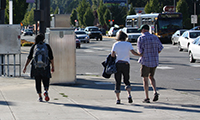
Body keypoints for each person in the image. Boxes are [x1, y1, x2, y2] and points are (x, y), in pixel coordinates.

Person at [111, 31, 142, 104]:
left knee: (118, 81)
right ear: (125, 37)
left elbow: (112, 54)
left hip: (118, 63)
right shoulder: (128, 44)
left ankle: (118, 99)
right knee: (126, 80)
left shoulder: (116, 44)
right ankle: (129, 95)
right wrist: (140, 55)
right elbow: (133, 52)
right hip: (126, 64)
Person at [23, 33, 55, 102]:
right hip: (45, 67)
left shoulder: (34, 46)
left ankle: (40, 96)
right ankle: (46, 91)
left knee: (38, 81)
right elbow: (51, 57)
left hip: (36, 67)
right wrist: (53, 66)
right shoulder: (47, 46)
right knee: (46, 80)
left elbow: (29, 57)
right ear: (43, 39)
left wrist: (25, 66)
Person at [137, 24, 163, 103]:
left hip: (145, 61)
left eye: (141, 30)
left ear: (144, 30)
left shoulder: (141, 38)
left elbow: (140, 52)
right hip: (154, 60)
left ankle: (147, 97)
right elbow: (160, 48)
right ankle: (155, 91)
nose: (141, 31)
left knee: (145, 79)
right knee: (151, 77)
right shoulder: (155, 37)